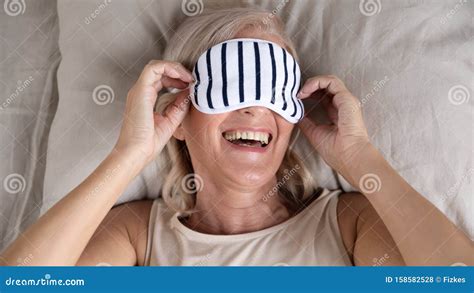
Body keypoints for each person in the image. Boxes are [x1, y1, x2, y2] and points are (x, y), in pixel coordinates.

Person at [1, 7, 472, 266]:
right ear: (179, 114)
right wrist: (131, 153)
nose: (253, 107)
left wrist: (362, 159)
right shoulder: (136, 237)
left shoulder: (346, 224)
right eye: (231, 84)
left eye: (274, 89)